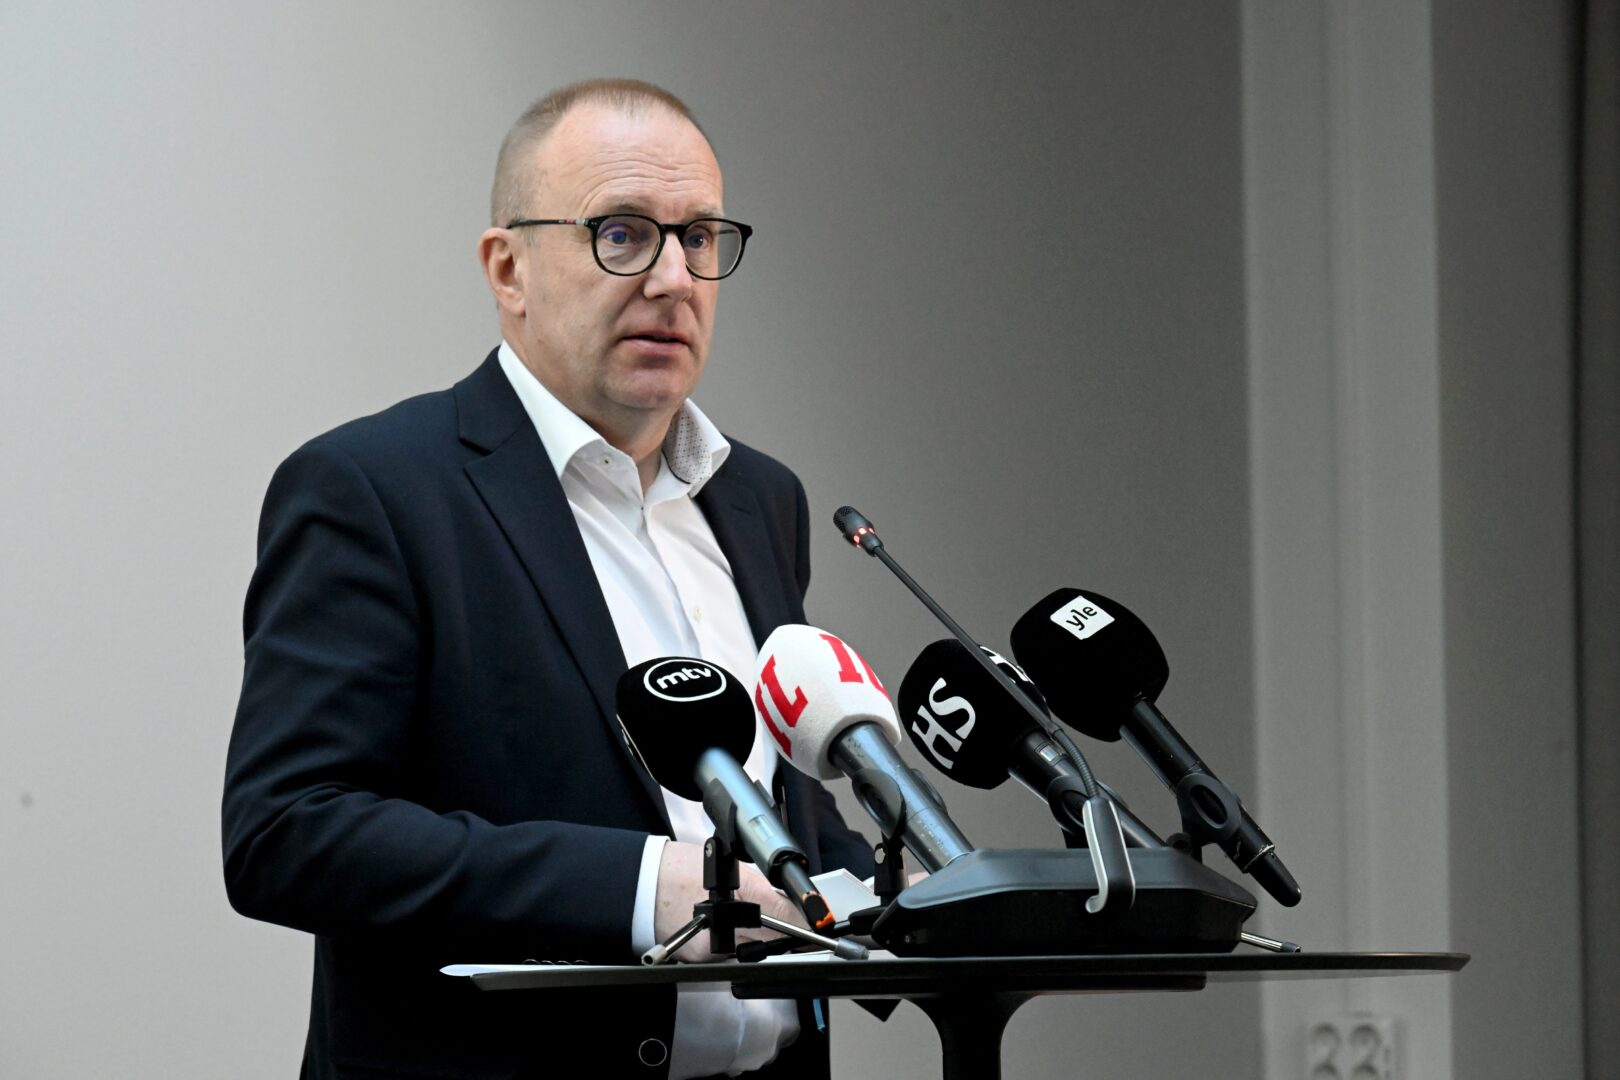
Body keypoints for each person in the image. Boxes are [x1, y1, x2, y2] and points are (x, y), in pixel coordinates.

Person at [222, 78, 873, 1080]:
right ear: (508, 267)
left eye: (700, 237)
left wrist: (922, 898)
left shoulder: (759, 499)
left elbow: (770, 803)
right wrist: (642, 889)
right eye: (622, 233)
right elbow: (289, 831)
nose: (674, 279)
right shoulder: (376, 490)